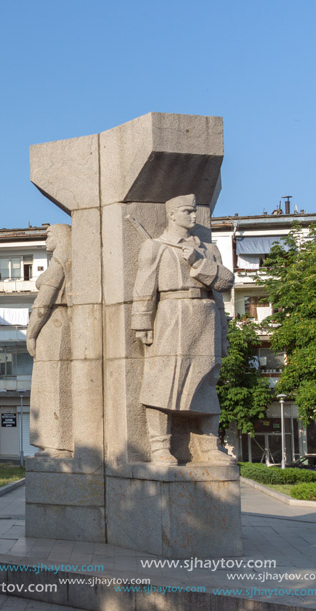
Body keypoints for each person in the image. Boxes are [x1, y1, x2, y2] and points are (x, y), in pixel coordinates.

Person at [131, 194, 234, 464]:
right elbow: (144, 287)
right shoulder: (156, 247)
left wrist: (199, 263)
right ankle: (159, 446)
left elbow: (225, 284)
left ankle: (211, 445)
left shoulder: (209, 250)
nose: (193, 216)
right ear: (172, 215)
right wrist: (141, 321)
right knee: (163, 382)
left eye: (194, 211)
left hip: (206, 316)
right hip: (171, 314)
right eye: (187, 211)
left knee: (206, 382)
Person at [26, 223, 72, 456]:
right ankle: (57, 442)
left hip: (54, 326)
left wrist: (31, 333)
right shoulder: (70, 259)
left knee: (53, 386)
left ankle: (57, 443)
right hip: (62, 324)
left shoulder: (59, 262)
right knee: (56, 385)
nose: (46, 239)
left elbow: (43, 303)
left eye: (50, 234)